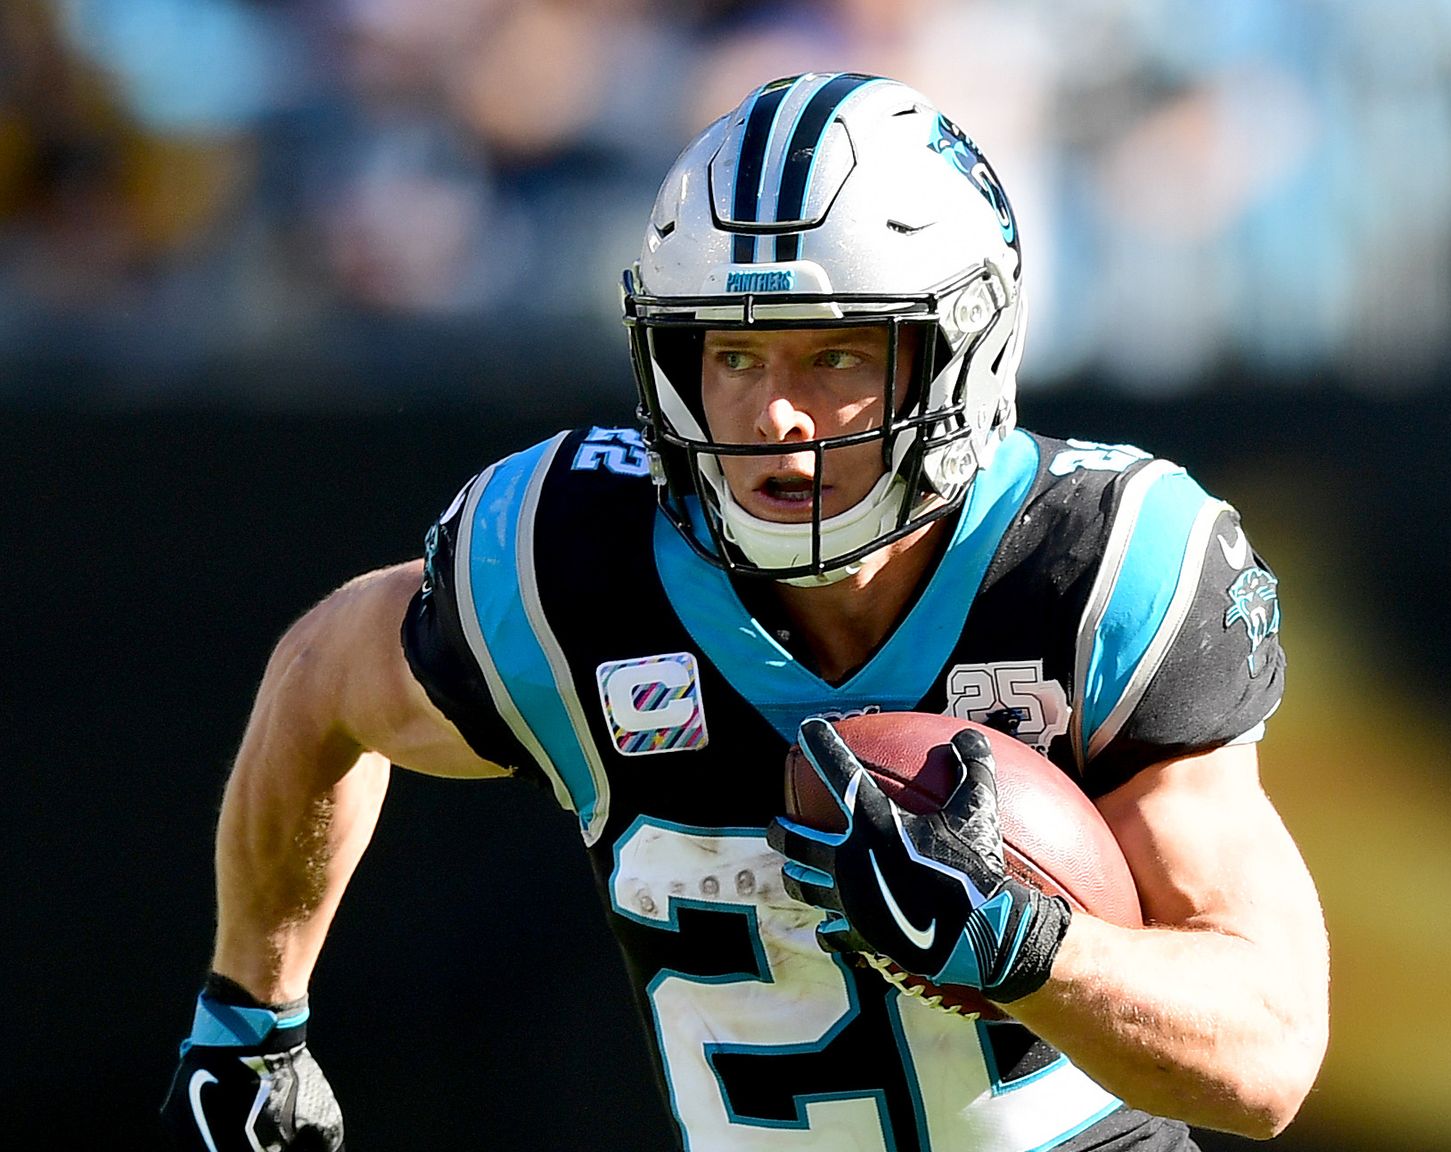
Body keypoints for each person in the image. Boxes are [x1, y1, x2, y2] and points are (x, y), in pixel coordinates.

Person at [161, 72, 1329, 1152]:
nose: (773, 414)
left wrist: (1029, 949)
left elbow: (1267, 1055)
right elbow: (322, 680)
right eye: (733, 353)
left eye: (832, 354)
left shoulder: (1090, 575)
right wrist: (248, 1018)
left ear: (955, 357)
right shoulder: (562, 568)